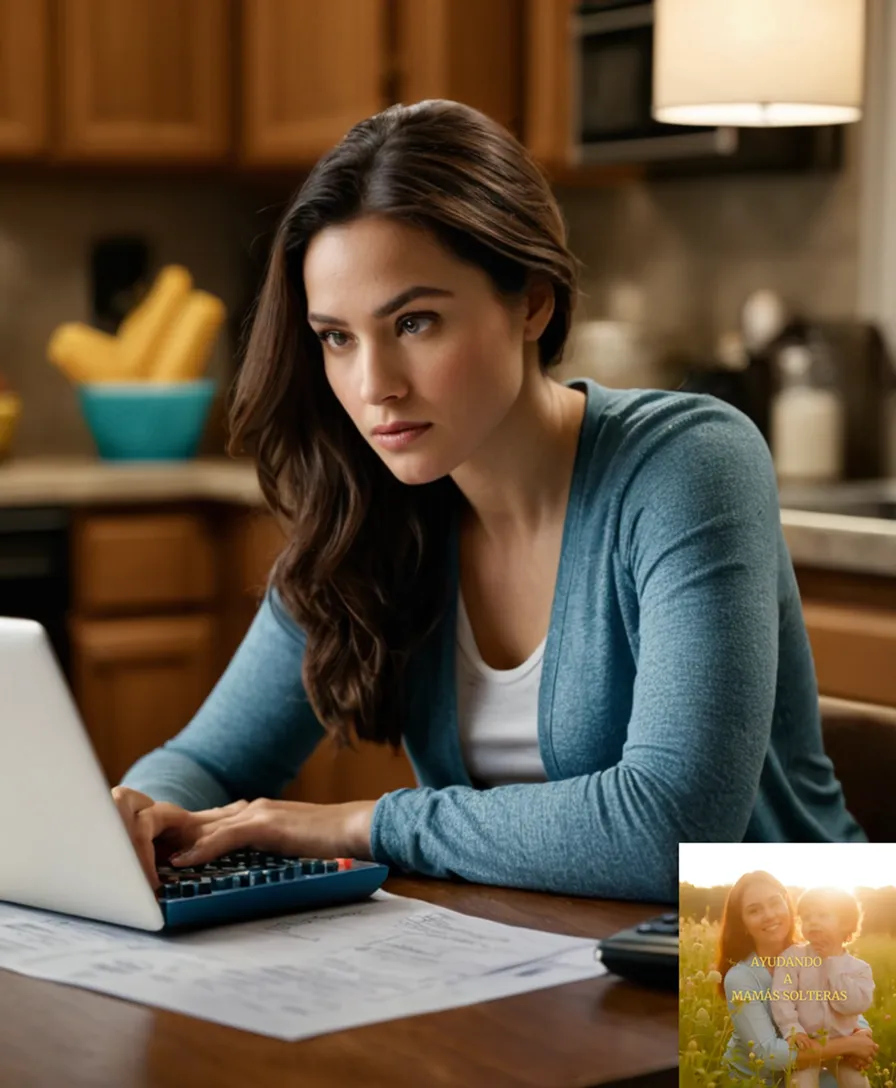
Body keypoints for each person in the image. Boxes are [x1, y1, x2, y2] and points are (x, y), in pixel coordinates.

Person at [113, 99, 866, 904]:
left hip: (791, 994)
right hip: (537, 971)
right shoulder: (372, 508)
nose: (374, 387)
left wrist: (364, 825)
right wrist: (141, 813)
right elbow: (212, 763)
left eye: (415, 321)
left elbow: (670, 830)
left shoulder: (688, 465)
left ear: (532, 301)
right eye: (336, 337)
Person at [717, 872, 878, 1085]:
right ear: (743, 924)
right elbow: (768, 1054)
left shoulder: (815, 953)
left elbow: (837, 1003)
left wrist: (862, 1032)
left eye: (775, 903)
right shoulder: (740, 978)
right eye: (754, 910)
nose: (769, 915)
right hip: (757, 1079)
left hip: (809, 1064)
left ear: (788, 905)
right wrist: (849, 1045)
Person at [770, 886, 874, 1088]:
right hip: (808, 1043)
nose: (813, 922)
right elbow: (782, 997)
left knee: (857, 1083)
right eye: (807, 917)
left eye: (822, 915)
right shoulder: (793, 958)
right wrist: (793, 1030)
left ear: (846, 924)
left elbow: (852, 1006)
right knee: (801, 1083)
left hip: (845, 1048)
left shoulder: (859, 969)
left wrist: (832, 962)